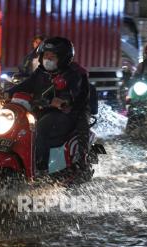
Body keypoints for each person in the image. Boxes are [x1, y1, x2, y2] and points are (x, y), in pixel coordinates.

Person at [6, 37, 90, 174]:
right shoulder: (41, 72)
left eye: (53, 56)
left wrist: (63, 101)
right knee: (19, 124)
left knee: (41, 128)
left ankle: (42, 170)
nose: (48, 59)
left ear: (63, 58)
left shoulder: (74, 74)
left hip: (70, 113)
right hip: (45, 109)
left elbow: (75, 94)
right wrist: (6, 93)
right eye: (46, 55)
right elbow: (26, 84)